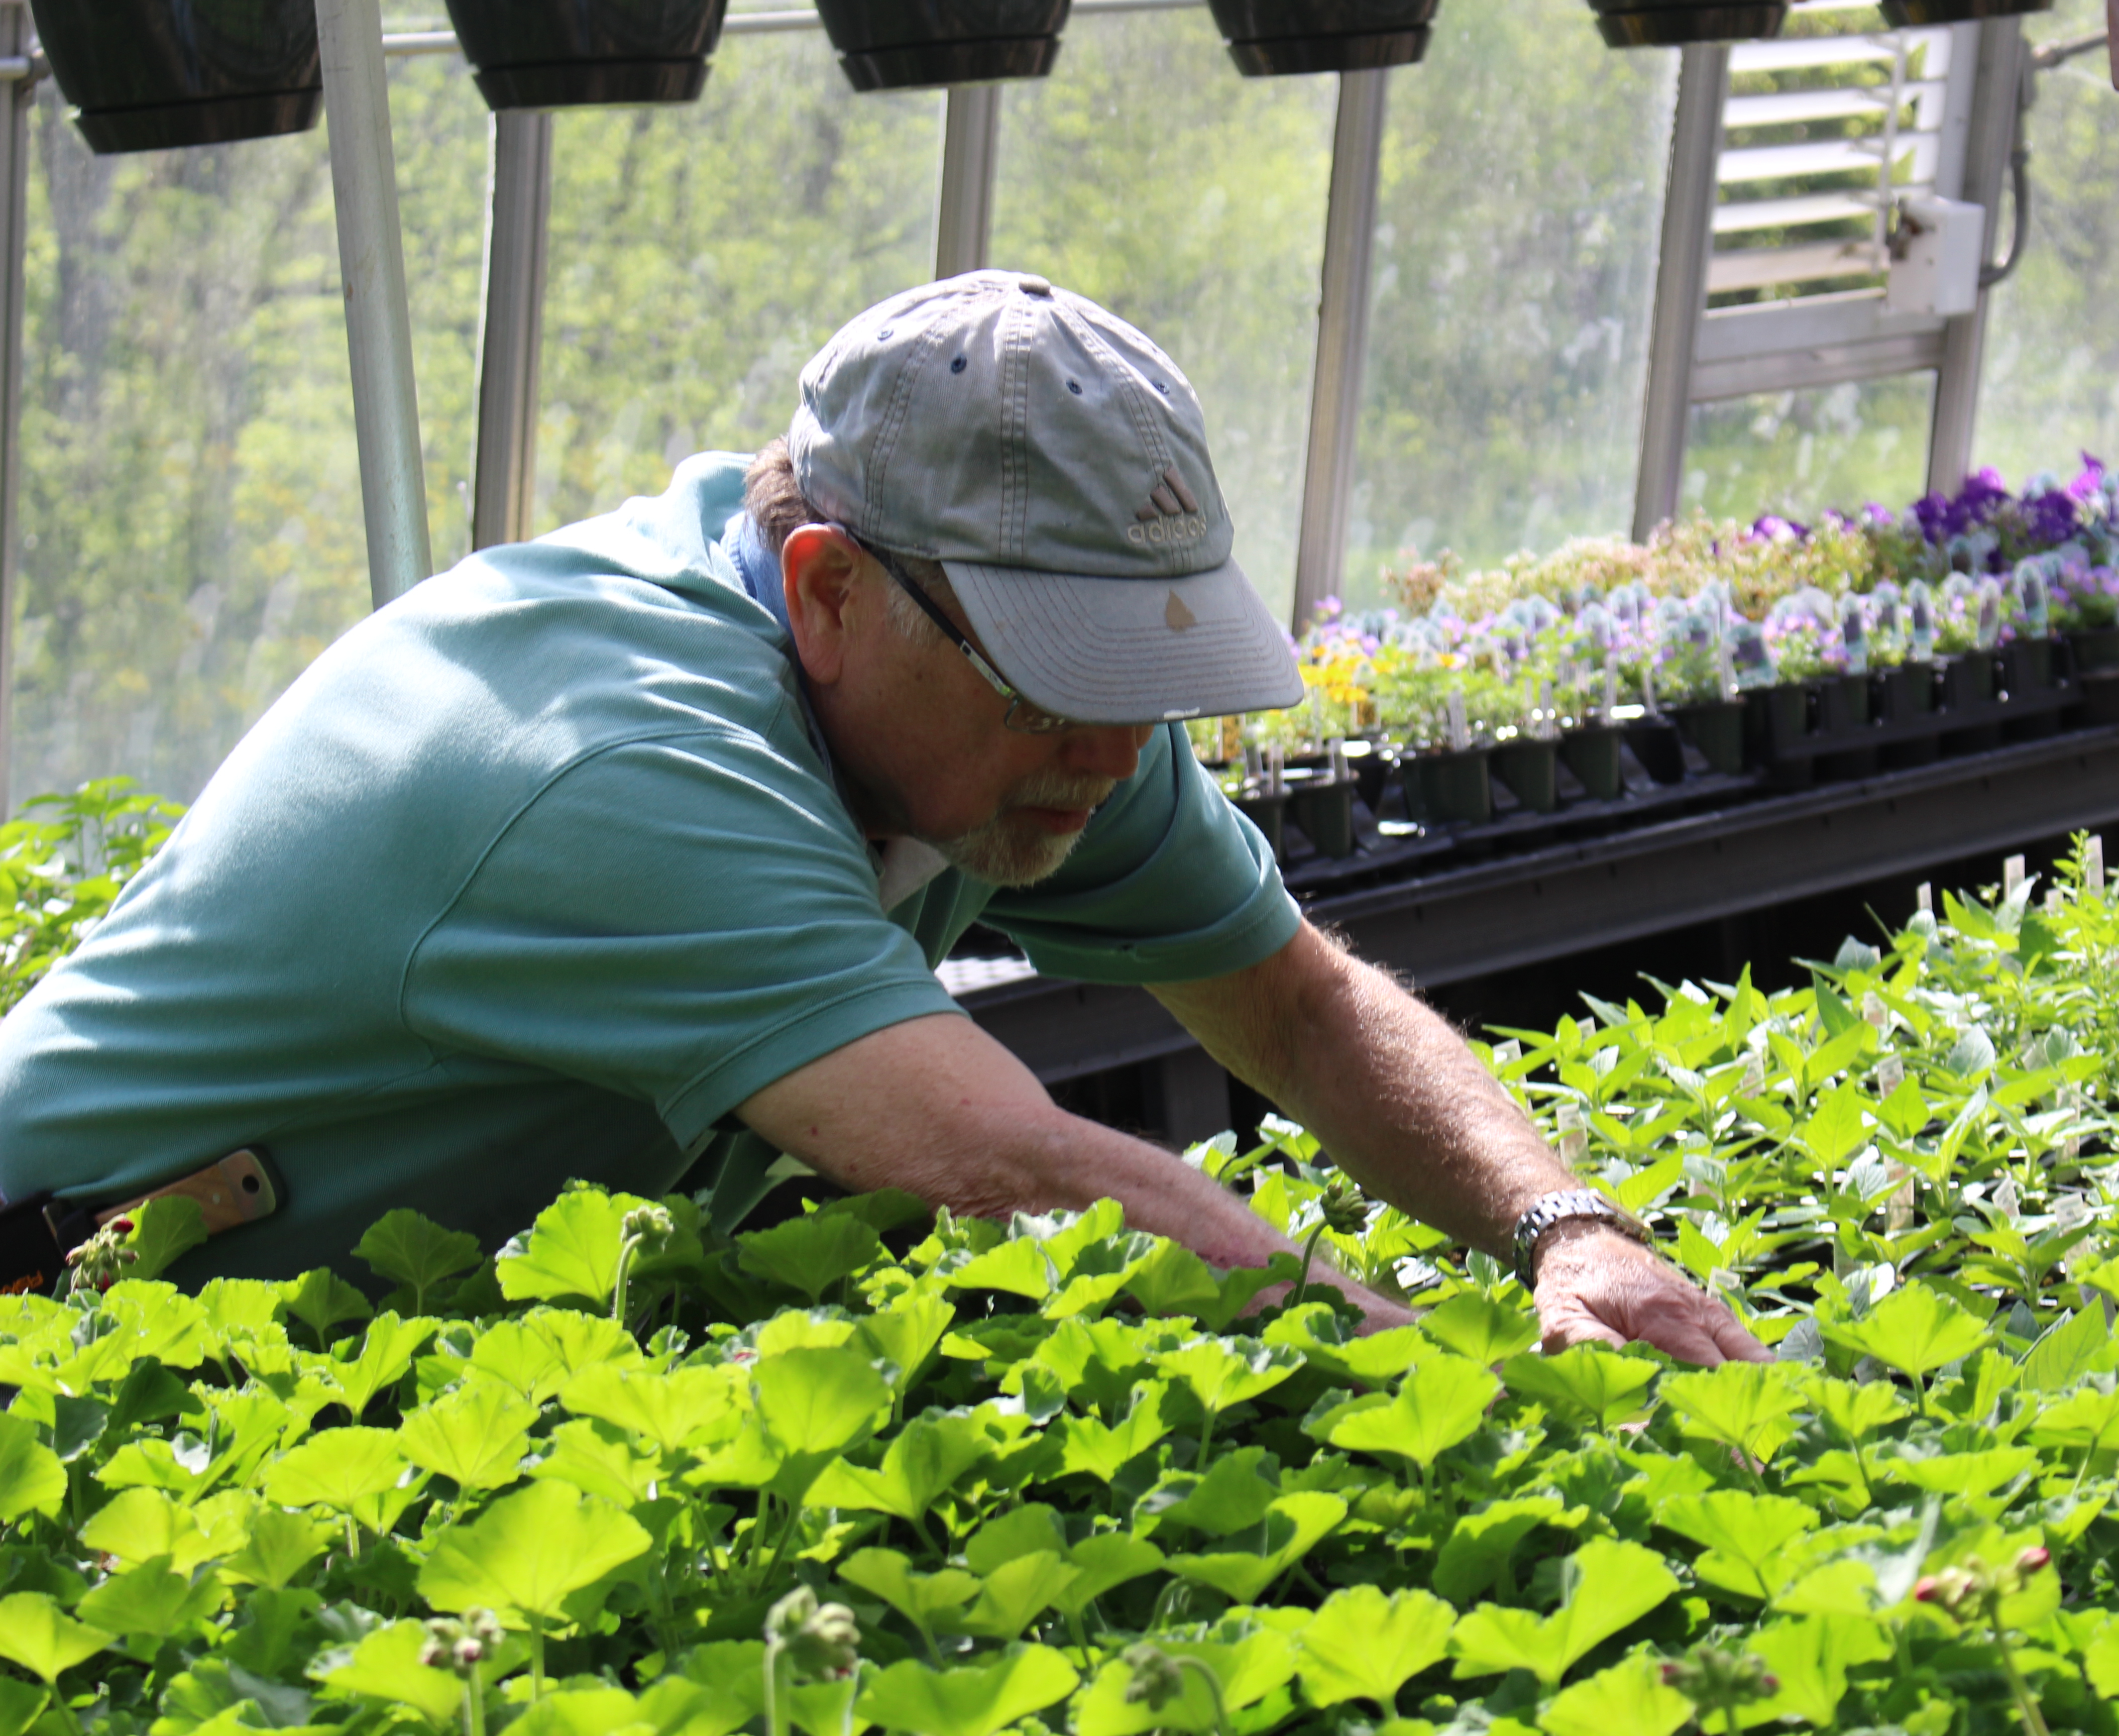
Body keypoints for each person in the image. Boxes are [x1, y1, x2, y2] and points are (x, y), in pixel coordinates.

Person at [0, 271, 1764, 1365]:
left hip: (350, 1344)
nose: (1113, 742)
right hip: (59, 1326)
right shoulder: (624, 763)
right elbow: (1008, 1167)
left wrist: (1566, 1231)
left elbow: (1292, 1004)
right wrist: (1453, 1392)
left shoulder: (1028, 712)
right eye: (1050, 672)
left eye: (1148, 666)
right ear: (829, 590)